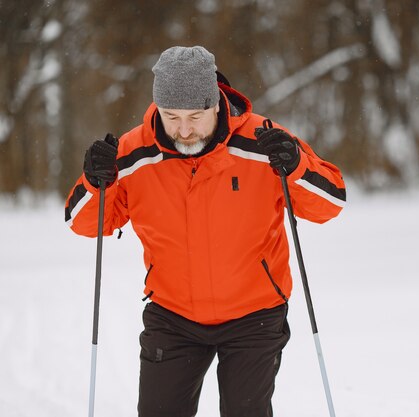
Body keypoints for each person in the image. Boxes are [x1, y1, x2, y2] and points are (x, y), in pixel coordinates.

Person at [64, 45, 346, 417]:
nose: (183, 130)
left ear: (216, 103)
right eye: (171, 116)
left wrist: (295, 166)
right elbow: (84, 223)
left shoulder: (263, 143)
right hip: (173, 314)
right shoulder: (133, 154)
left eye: (195, 116)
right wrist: (96, 183)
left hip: (254, 313)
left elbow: (330, 204)